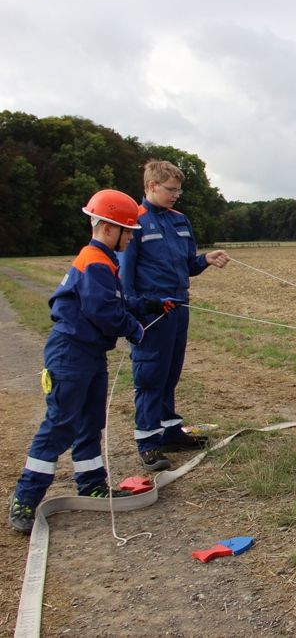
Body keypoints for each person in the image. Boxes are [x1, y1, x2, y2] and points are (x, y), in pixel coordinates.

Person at [8, 190, 175, 533]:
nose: (131, 238)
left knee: (90, 422)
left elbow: (117, 301)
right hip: (71, 355)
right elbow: (103, 311)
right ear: (110, 228)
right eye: (129, 231)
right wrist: (135, 329)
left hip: (90, 355)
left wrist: (150, 304)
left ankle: (91, 484)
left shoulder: (102, 260)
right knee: (60, 424)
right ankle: (25, 498)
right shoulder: (95, 261)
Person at [121, 160, 231, 472]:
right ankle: (148, 443)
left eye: (178, 191)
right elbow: (125, 280)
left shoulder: (180, 220)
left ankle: (170, 433)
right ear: (151, 186)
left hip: (179, 308)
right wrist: (137, 312)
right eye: (170, 189)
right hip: (152, 313)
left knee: (170, 373)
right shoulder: (133, 222)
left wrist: (206, 259)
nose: (175, 195)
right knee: (150, 376)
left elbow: (188, 265)